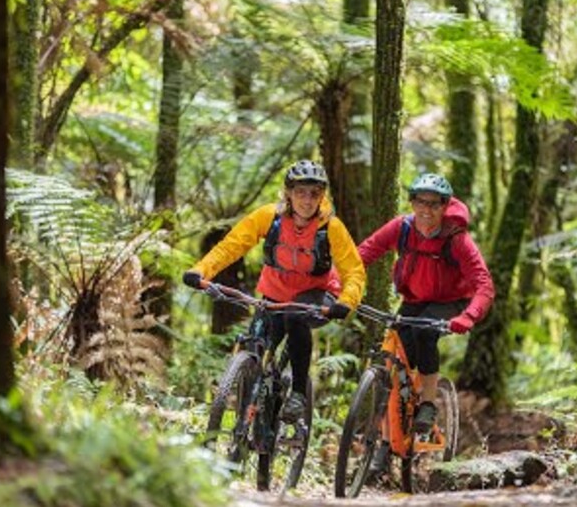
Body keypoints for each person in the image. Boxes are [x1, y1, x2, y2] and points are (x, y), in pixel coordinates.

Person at [183, 160, 365, 422]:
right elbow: (232, 245)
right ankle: (247, 423)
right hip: (273, 295)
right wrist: (201, 271)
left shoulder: (331, 227)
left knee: (294, 316)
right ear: (289, 193)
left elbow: (354, 270)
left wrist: (347, 301)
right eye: (301, 192)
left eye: (314, 193)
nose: (307, 199)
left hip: (317, 295)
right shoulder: (269, 217)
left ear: (321, 196)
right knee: (256, 347)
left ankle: (299, 393)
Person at [357, 173, 494, 474]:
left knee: (423, 332)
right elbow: (365, 252)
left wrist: (467, 317)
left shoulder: (457, 239)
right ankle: (384, 443)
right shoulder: (402, 228)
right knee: (394, 360)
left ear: (445, 206)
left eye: (434, 204)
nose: (426, 210)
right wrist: (342, 285)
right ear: (412, 202)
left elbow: (484, 284)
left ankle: (429, 405)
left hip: (452, 302)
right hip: (415, 300)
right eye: (421, 202)